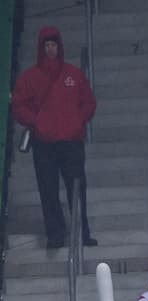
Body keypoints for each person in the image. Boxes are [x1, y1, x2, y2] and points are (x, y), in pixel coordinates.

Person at [11, 26, 97, 249]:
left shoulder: (73, 75)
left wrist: (77, 121)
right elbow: (18, 106)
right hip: (44, 143)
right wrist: (37, 121)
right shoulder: (30, 78)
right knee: (48, 190)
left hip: (71, 141)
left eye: (53, 45)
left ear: (59, 46)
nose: (50, 49)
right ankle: (55, 235)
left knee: (77, 189)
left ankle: (82, 233)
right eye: (47, 45)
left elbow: (89, 102)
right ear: (42, 47)